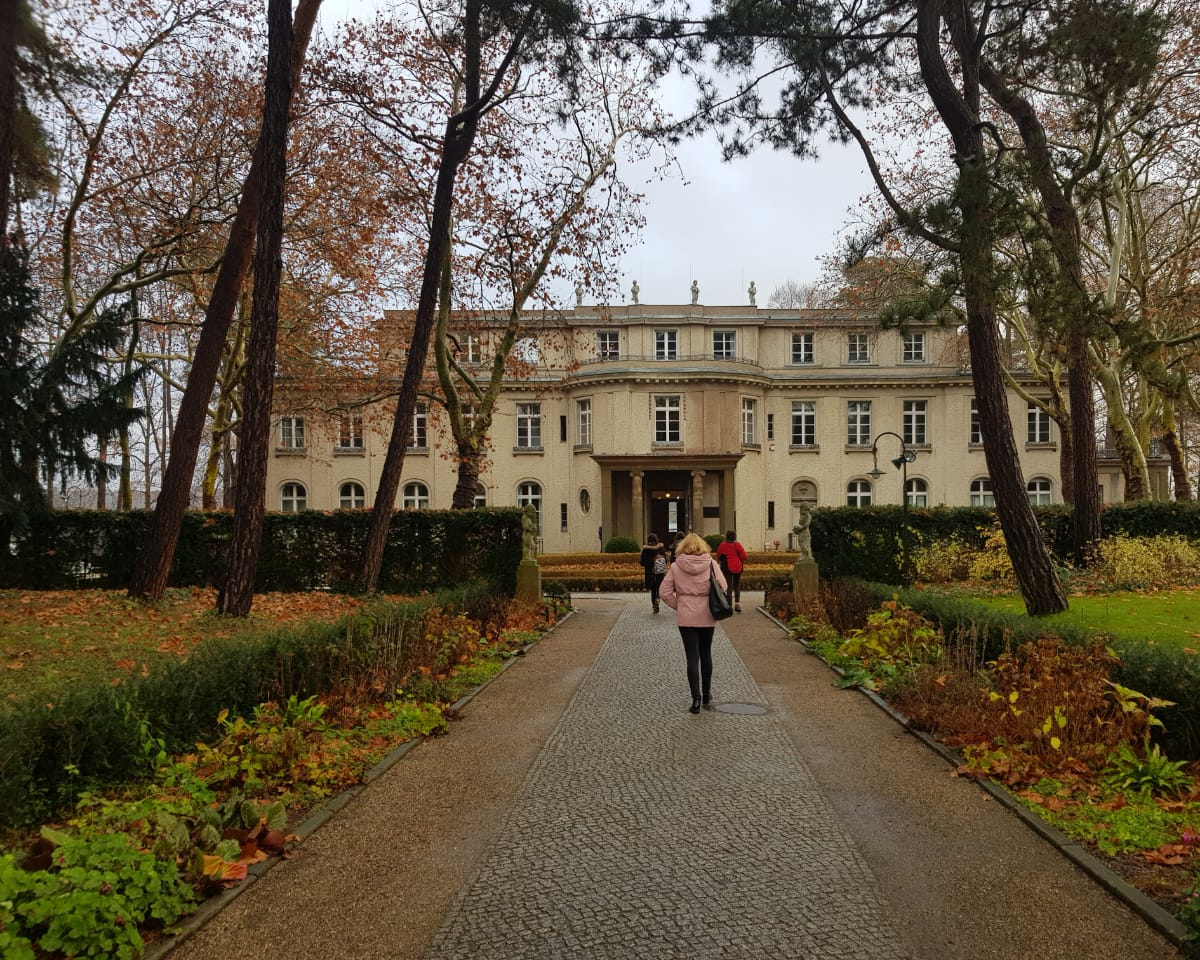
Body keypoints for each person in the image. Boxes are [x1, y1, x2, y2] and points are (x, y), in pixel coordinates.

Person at [660, 533, 727, 714]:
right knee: (706, 654)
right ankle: (706, 694)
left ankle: (695, 699)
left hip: (686, 616)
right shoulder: (712, 564)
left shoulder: (676, 566)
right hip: (707, 614)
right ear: (703, 547)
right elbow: (723, 586)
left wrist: (680, 605)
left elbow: (664, 592)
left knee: (692, 657)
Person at [715, 529, 747, 612]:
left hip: (726, 567)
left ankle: (729, 606)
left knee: (728, 586)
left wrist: (718, 563)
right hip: (737, 566)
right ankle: (737, 604)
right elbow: (744, 556)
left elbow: (718, 555)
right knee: (737, 585)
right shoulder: (738, 545)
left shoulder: (723, 545)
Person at [638, 533, 662, 613]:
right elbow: (665, 558)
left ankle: (654, 606)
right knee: (659, 587)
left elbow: (642, 562)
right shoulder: (660, 548)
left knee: (653, 590)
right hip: (659, 572)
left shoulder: (645, 550)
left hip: (649, 573)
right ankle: (658, 598)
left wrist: (649, 563)